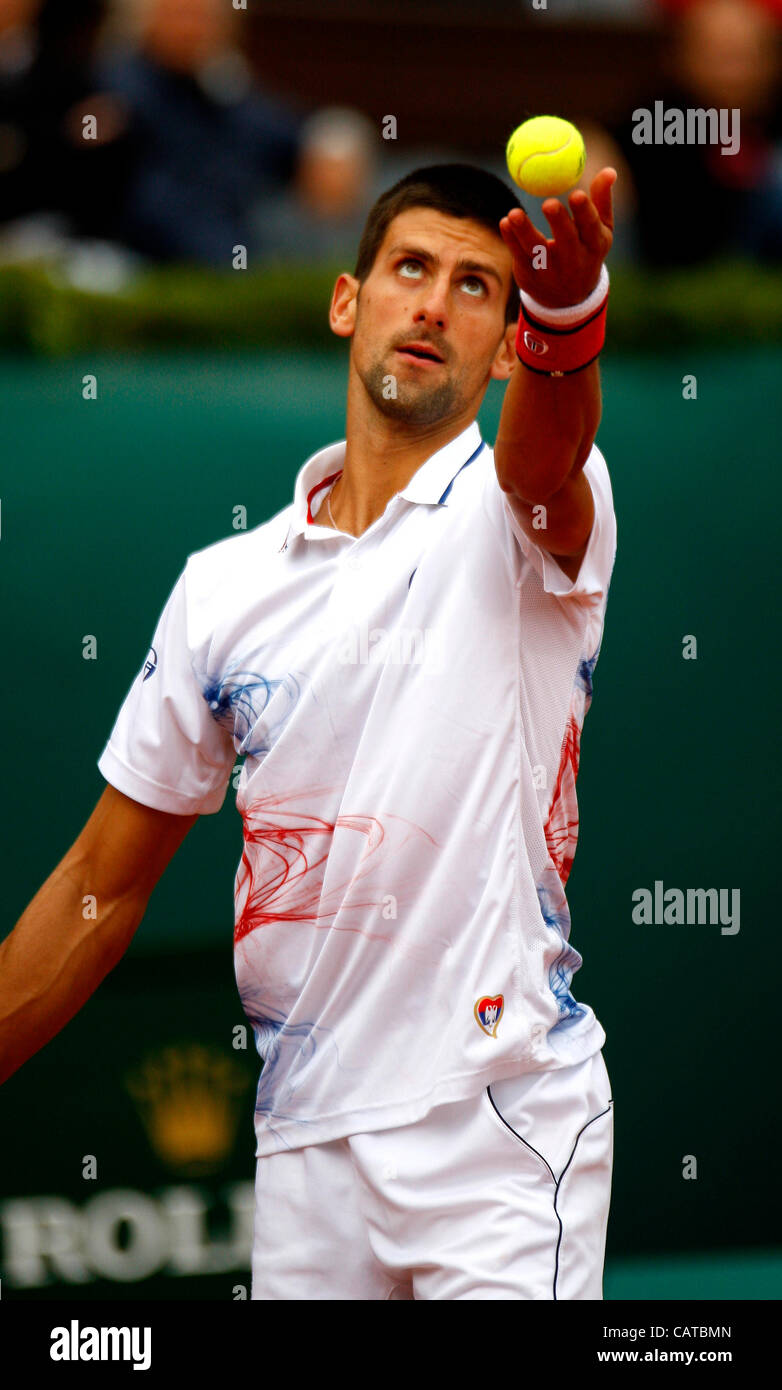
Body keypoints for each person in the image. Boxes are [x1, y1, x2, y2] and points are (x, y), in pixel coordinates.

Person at [0, 161, 618, 1300]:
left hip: (496, 1124)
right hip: (304, 1148)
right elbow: (101, 884)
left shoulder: (522, 517)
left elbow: (542, 457)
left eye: (478, 287)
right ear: (349, 300)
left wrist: (567, 322)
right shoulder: (220, 589)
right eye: (410, 269)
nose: (433, 303)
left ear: (503, 342)